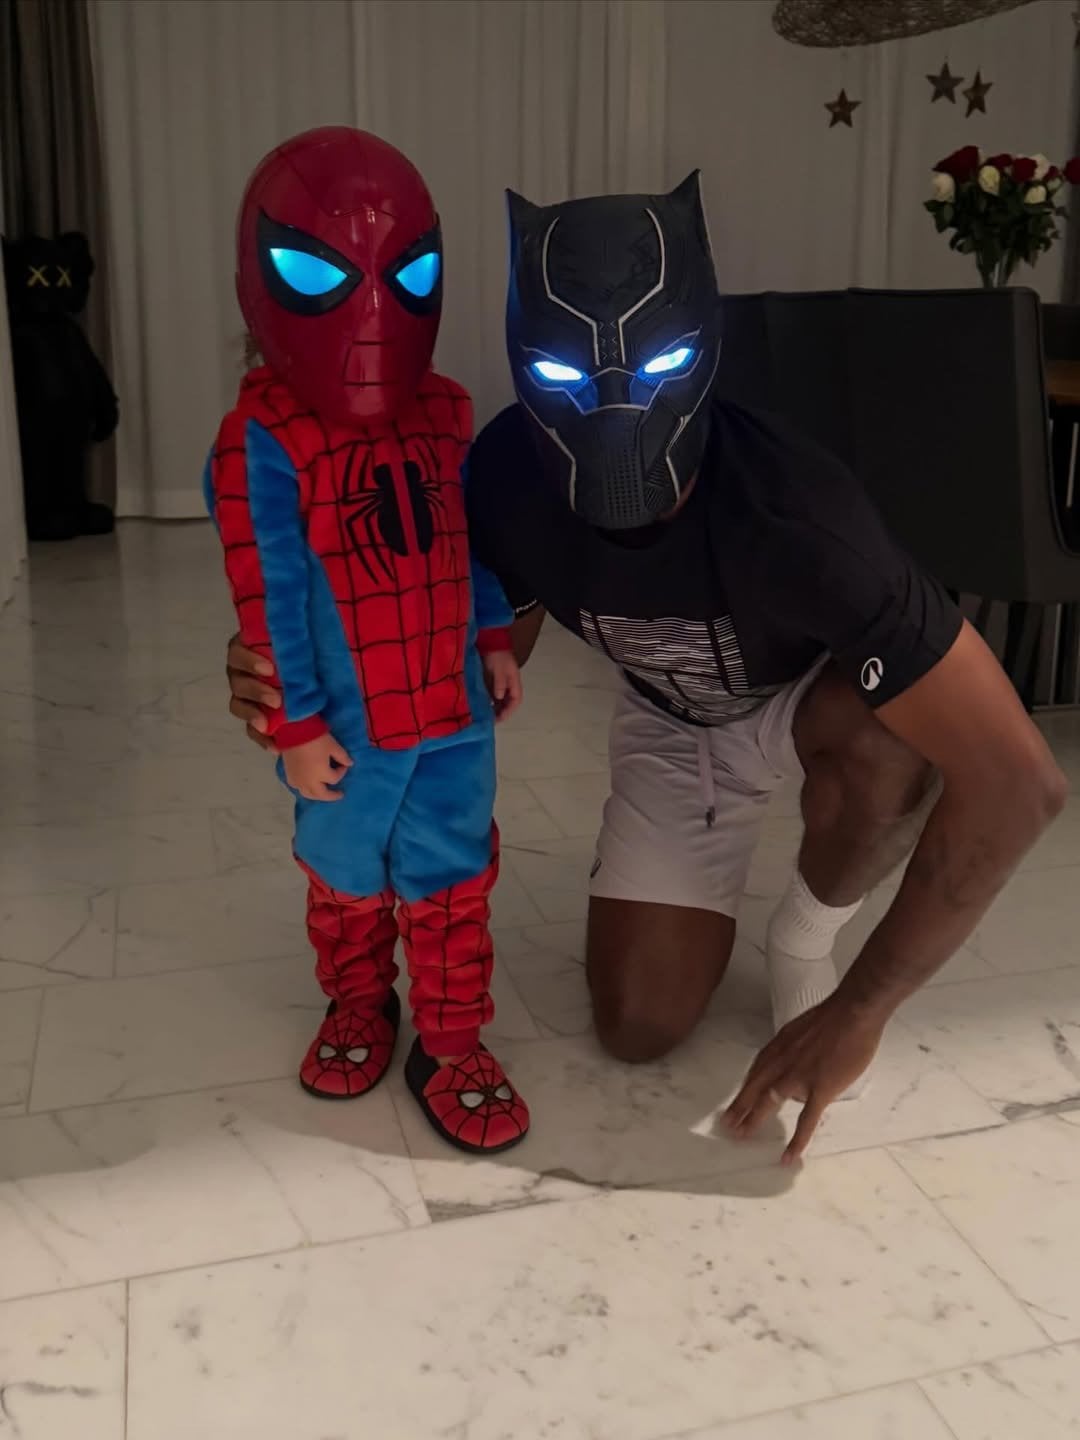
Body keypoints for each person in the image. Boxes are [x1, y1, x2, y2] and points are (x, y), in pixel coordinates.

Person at [226, 171, 1067, 1164]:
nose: (614, 410)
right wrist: (293, 672)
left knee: (889, 739)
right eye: (563, 374)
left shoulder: (799, 517)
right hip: (670, 719)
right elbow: (449, 657)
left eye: (660, 362)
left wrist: (862, 1008)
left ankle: (805, 933)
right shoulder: (505, 479)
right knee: (637, 1025)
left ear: (707, 349)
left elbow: (1020, 781)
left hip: (806, 701)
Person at [206, 127, 529, 1154]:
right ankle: (357, 1002)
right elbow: (266, 592)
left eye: (408, 275)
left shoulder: (446, 411)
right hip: (345, 728)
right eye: (319, 273)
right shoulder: (259, 439)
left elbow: (469, 542)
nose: (374, 310)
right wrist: (296, 724)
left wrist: (492, 636)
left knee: (452, 877)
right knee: (344, 875)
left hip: (452, 713)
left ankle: (450, 1038)